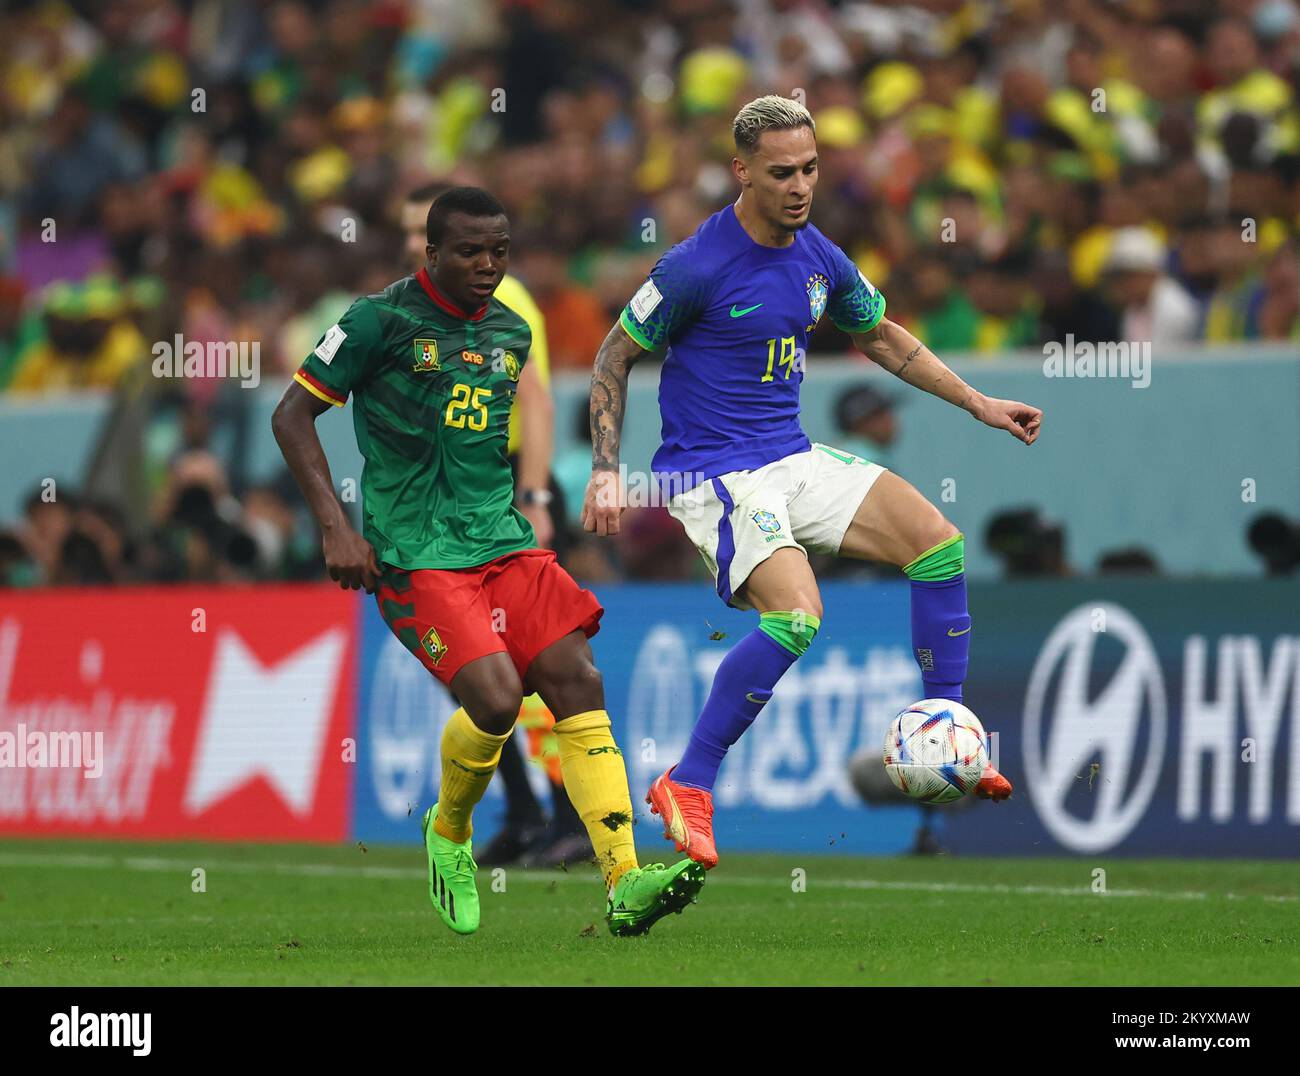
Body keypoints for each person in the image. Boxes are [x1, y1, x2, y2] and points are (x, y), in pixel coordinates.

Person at [583, 97, 1040, 871]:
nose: (800, 186)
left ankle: (949, 733)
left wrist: (979, 403)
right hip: (715, 472)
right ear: (742, 172)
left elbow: (881, 336)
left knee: (938, 547)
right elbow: (612, 356)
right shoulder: (693, 265)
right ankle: (688, 780)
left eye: (811, 169)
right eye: (782, 173)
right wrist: (604, 471)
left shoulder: (817, 253)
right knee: (798, 617)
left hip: (790, 456)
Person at [273, 186, 704, 935]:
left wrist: (532, 499)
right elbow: (292, 414)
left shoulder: (510, 330)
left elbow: (514, 422)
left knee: (578, 677)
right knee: (499, 702)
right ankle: (449, 831)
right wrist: (335, 528)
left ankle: (625, 880)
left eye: (498, 251)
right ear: (431, 252)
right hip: (415, 552)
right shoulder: (378, 321)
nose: (485, 264)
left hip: (500, 540)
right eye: (468, 251)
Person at [402, 184, 589, 869]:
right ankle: (524, 808)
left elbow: (534, 401)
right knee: (470, 668)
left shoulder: (498, 302)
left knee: (535, 662)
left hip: (506, 491)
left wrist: (536, 497)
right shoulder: (413, 311)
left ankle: (572, 817)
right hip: (444, 505)